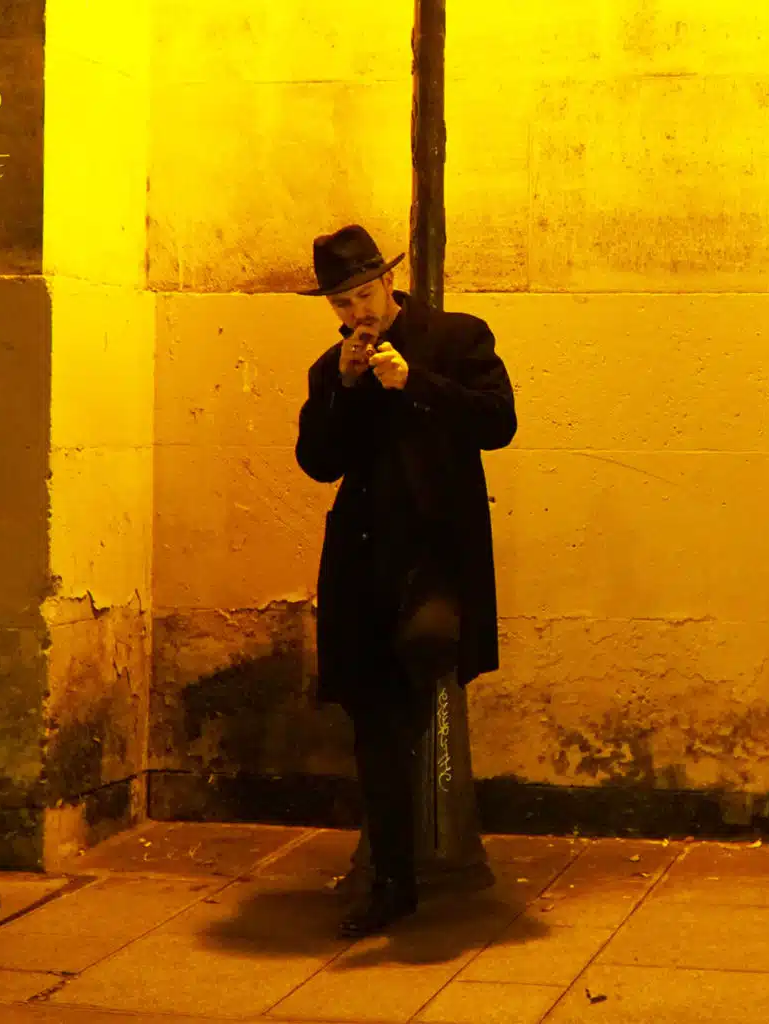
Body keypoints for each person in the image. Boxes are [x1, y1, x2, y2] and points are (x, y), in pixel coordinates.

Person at [294, 224, 517, 938]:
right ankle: (393, 881)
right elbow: (318, 461)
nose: (356, 313)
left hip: (437, 554)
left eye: (364, 295)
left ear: (389, 282)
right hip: (364, 559)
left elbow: (498, 422)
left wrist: (413, 383)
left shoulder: (456, 337)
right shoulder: (332, 368)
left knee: (427, 654)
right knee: (373, 721)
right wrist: (345, 388)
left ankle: (439, 839)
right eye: (342, 303)